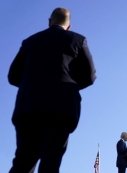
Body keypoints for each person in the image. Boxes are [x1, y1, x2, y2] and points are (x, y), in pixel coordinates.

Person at [7, 7, 96, 173]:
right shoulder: (78, 40)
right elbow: (90, 76)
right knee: (51, 162)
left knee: (23, 161)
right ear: (68, 26)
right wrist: (70, 85)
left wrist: (32, 86)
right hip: (61, 109)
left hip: (29, 107)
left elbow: (12, 76)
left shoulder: (29, 42)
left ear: (49, 22)